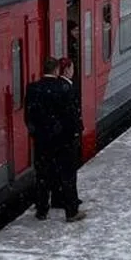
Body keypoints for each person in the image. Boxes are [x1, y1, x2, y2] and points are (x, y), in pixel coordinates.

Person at [24, 58, 81, 222]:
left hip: (42, 142)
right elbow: (72, 117)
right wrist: (72, 136)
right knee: (67, 176)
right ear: (57, 70)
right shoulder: (64, 88)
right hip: (63, 142)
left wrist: (36, 134)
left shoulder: (33, 88)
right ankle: (71, 212)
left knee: (42, 176)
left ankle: (42, 210)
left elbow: (28, 117)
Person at [58, 57, 85, 214]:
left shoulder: (57, 86)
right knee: (69, 172)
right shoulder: (68, 89)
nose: (74, 72)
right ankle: (71, 207)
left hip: (58, 137)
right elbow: (72, 115)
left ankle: (61, 198)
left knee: (60, 171)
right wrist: (76, 131)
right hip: (68, 138)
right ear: (66, 69)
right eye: (72, 68)